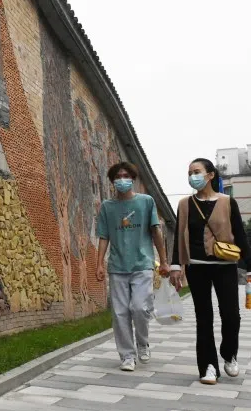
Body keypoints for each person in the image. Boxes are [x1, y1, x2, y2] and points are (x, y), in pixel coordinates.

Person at [168, 158, 250, 385]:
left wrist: (250, 266)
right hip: (197, 267)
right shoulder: (184, 204)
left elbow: (240, 236)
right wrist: (176, 265)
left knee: (231, 315)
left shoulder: (227, 202)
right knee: (204, 318)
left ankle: (229, 354)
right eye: (189, 172)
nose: (192, 176)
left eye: (197, 171)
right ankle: (208, 366)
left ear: (211, 175)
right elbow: (178, 236)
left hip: (225, 266)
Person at [96, 162, 169, 371]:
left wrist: (163, 261)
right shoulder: (107, 207)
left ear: (133, 178)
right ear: (112, 181)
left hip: (142, 264)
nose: (122, 179)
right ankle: (127, 355)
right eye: (117, 176)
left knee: (139, 307)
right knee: (119, 313)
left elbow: (156, 232)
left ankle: (143, 342)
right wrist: (99, 263)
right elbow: (103, 236)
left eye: (126, 175)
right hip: (117, 266)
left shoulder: (146, 202)